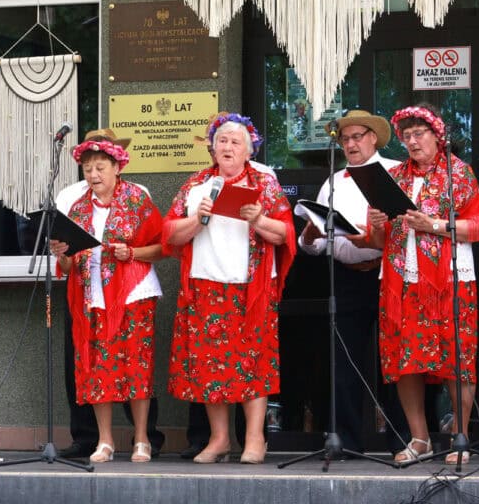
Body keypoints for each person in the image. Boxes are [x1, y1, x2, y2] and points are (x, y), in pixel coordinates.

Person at [355, 104, 479, 464]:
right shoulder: (393, 176)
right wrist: (378, 223)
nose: (412, 142)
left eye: (419, 134)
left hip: (449, 281)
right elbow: (379, 241)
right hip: (403, 281)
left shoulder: (459, 174)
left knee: (456, 357)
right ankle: (420, 439)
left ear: (437, 135)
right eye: (407, 136)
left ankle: (459, 435)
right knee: (406, 359)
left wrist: (435, 226)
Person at [164, 113, 296, 464]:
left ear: (249, 150)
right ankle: (220, 439)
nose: (227, 147)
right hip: (206, 285)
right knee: (210, 364)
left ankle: (254, 440)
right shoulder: (195, 184)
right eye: (221, 140)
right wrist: (196, 220)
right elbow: (169, 235)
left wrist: (258, 219)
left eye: (235, 142)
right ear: (212, 146)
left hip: (252, 288)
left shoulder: (264, 182)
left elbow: (284, 234)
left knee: (255, 363)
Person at [49, 129, 164, 463]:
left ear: (118, 167)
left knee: (136, 365)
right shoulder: (75, 206)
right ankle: (105, 441)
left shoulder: (137, 198)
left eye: (100, 167)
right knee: (97, 367)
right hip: (93, 296)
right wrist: (61, 253)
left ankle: (142, 439)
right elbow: (68, 266)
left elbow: (161, 247)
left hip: (133, 293)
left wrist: (133, 253)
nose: (94, 174)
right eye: (88, 169)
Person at [297, 110, 407, 455]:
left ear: (373, 138)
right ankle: (344, 441)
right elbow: (313, 245)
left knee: (394, 361)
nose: (351, 143)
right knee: (344, 361)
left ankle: (403, 439)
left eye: (358, 136)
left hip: (387, 273)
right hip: (345, 276)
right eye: (345, 139)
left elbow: (405, 226)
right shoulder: (334, 181)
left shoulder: (394, 172)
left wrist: (372, 234)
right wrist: (311, 234)